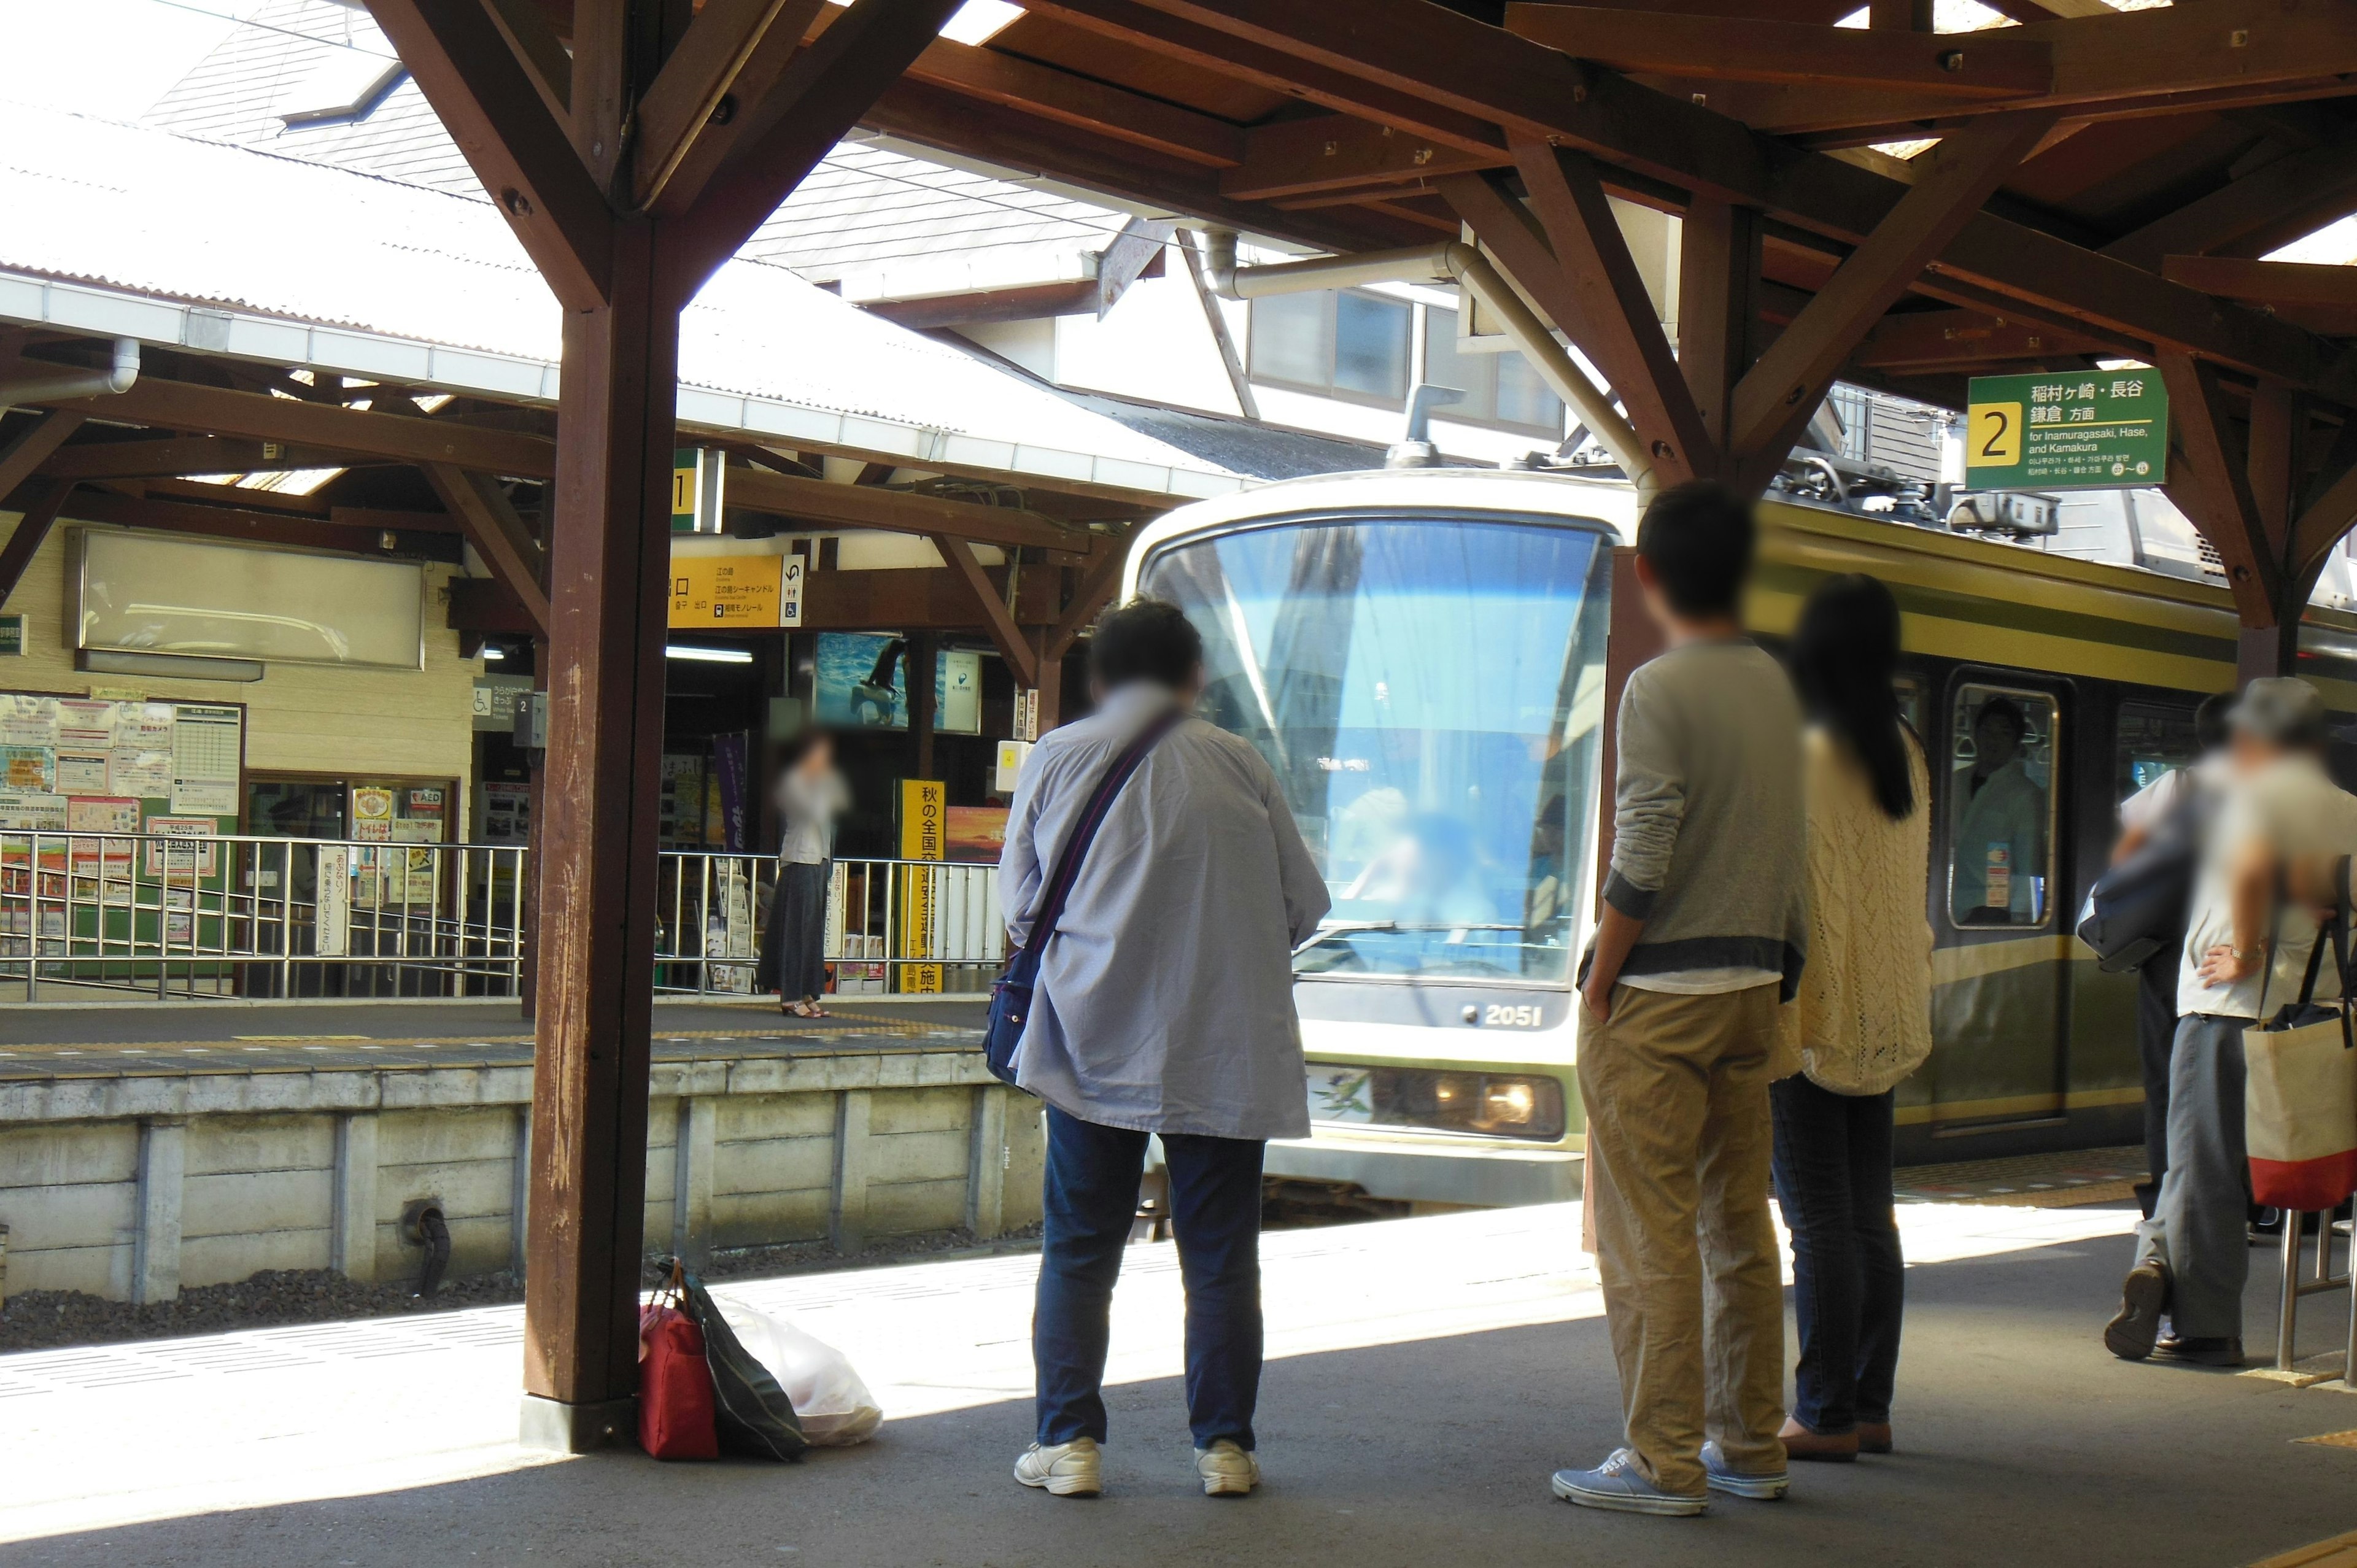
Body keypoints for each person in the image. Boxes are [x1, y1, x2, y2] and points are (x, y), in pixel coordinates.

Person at [998, 597, 1329, 1501]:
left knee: (1079, 1248)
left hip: (1090, 1039)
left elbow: (1021, 908)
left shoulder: (1058, 756)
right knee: (1221, 1255)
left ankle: (1068, 1442)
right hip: (1223, 1046)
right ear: (1195, 680)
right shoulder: (1240, 762)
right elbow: (1304, 904)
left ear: (1100, 677)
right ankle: (1225, 1447)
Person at [1554, 480, 1807, 1518]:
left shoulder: (1660, 688)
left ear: (1648, 574)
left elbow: (1645, 845)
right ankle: (1751, 1442)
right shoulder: (1780, 687)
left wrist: (1602, 977)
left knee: (1647, 1231)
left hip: (1660, 995)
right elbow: (1795, 852)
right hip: (1754, 985)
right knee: (1738, 1221)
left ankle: (1661, 1460)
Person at [2106, 678, 2357, 1367]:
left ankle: (2204, 1323)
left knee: (2201, 1164)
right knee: (2255, 1165)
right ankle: (2157, 1265)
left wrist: (2244, 944)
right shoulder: (2347, 809)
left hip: (2227, 1011)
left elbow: (2250, 866)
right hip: (2312, 1012)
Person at [1774, 574, 1932, 1463]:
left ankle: (1823, 1411)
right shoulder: (1902, 749)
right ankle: (1868, 1404)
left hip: (1814, 1011)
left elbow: (1794, 883)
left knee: (1820, 1219)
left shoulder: (1805, 748)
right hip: (1888, 1008)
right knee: (1872, 1215)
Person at [2112, 693, 2233, 1216]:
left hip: (2166, 948)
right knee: (2223, 1082)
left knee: (2165, 1079)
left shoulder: (2174, 786)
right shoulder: (2256, 794)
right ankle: (2233, 1199)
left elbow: (2127, 853)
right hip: (2227, 950)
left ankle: (2167, 1196)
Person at [758, 732, 847, 1019]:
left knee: (812, 932)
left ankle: (808, 992)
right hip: (800, 861)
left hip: (819, 861)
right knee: (797, 931)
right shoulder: (794, 781)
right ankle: (791, 996)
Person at [1950, 696, 2046, 924]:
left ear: (2016, 743)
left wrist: (2023, 920)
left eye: (2004, 733)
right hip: (1949, 903)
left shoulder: (2025, 794)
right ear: (1975, 734)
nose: (1993, 740)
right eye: (1987, 731)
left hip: (1993, 909)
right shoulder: (1955, 782)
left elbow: (2028, 863)